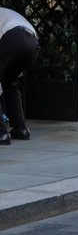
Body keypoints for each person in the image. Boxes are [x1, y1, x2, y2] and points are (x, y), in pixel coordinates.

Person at [0, 8, 40, 145]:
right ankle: (20, 129)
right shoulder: (5, 13)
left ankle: (1, 134)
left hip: (12, 38)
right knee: (9, 82)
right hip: (32, 43)